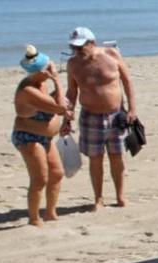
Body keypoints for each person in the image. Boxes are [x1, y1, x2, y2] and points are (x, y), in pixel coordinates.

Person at [61, 27, 137, 210]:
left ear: (92, 43)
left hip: (116, 114)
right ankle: (98, 199)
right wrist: (67, 116)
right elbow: (72, 91)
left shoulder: (112, 54)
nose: (77, 51)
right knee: (95, 158)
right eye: (74, 47)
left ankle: (120, 196)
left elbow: (127, 81)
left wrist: (132, 109)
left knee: (117, 156)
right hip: (90, 117)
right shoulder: (73, 64)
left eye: (80, 47)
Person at [12, 45, 68, 226]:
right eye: (49, 69)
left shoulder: (41, 83)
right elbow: (59, 108)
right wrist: (58, 81)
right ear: (40, 71)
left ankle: (50, 212)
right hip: (29, 137)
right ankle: (34, 218)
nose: (52, 71)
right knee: (40, 178)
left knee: (57, 173)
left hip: (45, 137)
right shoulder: (28, 90)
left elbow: (53, 102)